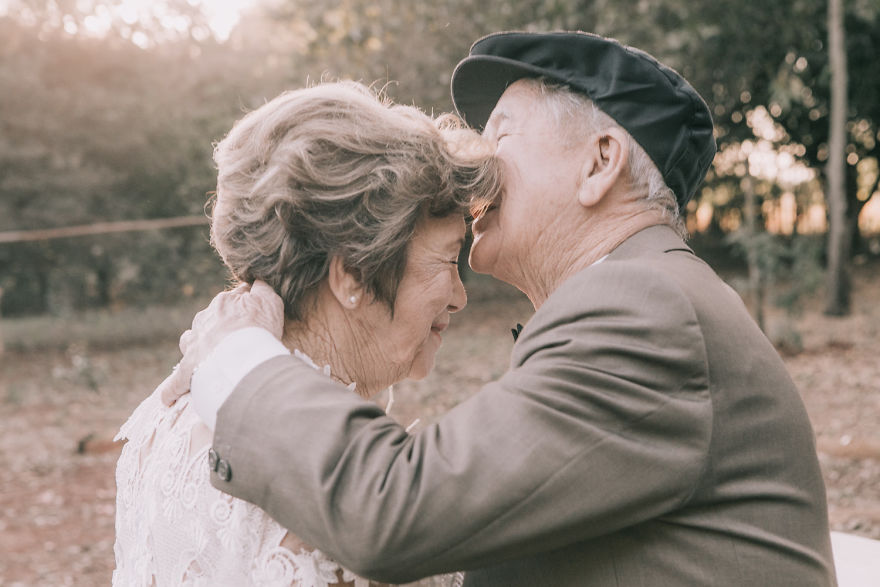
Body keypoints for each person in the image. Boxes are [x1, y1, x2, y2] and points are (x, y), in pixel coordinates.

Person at [172, 32, 837, 585]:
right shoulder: (645, 296)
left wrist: (239, 361)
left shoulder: (644, 306)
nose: (480, 161)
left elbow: (397, 509)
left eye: (503, 133)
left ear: (600, 162)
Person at [112, 80, 501, 586]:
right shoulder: (333, 493)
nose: (458, 295)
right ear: (353, 274)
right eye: (448, 260)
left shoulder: (160, 420)